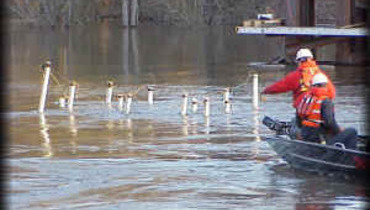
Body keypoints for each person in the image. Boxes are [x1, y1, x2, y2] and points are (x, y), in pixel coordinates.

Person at [296, 73, 357, 149]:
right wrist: (339, 130)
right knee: (352, 131)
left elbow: (298, 122)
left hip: (306, 135)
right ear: (325, 86)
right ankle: (350, 156)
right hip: (320, 138)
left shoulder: (305, 100)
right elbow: (329, 122)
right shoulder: (325, 101)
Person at [262, 48, 336, 109]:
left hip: (303, 109)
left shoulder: (296, 75)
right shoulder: (321, 75)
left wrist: (265, 91)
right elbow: (332, 93)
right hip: (323, 108)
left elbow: (281, 86)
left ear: (299, 61)